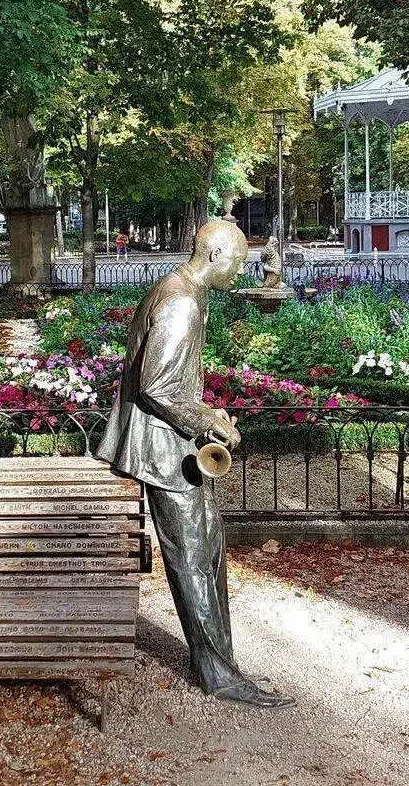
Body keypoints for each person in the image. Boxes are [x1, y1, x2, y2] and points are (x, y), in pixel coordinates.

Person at [96, 218, 295, 708]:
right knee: (194, 560)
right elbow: (157, 386)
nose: (241, 272)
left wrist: (207, 412)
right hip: (163, 451)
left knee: (206, 550)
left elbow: (168, 382)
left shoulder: (180, 289)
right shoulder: (182, 299)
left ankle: (218, 663)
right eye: (238, 262)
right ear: (215, 255)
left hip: (171, 443)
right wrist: (207, 421)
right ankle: (218, 674)